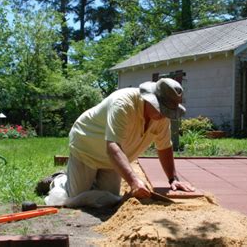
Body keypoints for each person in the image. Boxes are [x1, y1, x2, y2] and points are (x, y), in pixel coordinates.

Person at [45, 78, 195, 208]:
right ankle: (59, 179)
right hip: (87, 147)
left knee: (109, 201)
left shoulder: (161, 118)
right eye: (161, 110)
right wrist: (134, 180)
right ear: (149, 99)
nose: (163, 116)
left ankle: (87, 180)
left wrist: (173, 179)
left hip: (113, 161)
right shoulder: (123, 104)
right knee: (76, 198)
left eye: (167, 112)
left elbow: (164, 147)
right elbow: (113, 147)